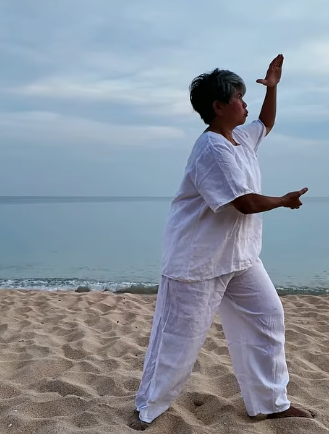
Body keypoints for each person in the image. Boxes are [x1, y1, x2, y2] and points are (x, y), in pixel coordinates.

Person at [129, 54, 314, 430]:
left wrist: (273, 88)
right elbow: (244, 203)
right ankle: (148, 408)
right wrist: (282, 200)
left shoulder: (240, 138)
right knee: (178, 341)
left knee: (267, 317)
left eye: (246, 97)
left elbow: (265, 122)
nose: (245, 104)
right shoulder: (211, 149)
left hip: (241, 257)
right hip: (197, 263)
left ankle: (269, 403)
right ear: (218, 106)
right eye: (239, 98)